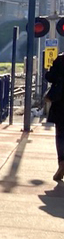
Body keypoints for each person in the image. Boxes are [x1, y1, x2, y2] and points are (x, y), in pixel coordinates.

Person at [44, 53, 64, 181]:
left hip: (61, 105)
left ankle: (62, 163)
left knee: (61, 136)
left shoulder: (61, 59)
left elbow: (50, 77)